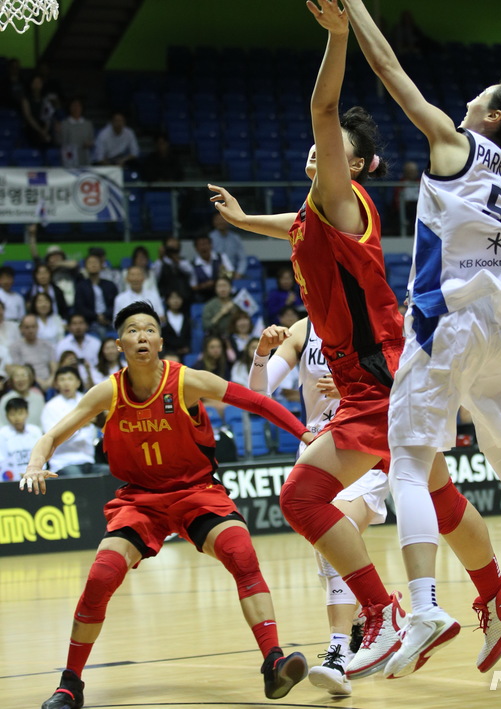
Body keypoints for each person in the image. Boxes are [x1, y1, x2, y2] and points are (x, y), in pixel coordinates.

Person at [209, 0, 501, 681]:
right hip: (387, 364)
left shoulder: (337, 196)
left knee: (300, 497)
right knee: (440, 496)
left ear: (352, 167)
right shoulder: (308, 214)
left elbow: (323, 110)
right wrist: (244, 222)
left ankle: (386, 609)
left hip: (377, 370)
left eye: (335, 153)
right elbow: (290, 226)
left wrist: (336, 36)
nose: (320, 150)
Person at [309, 0, 501, 677]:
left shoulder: (456, 144)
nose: (465, 101)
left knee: (407, 461)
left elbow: (392, 75)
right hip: (496, 332)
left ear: (490, 115)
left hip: (442, 323)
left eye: (478, 98)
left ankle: (426, 604)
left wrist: (353, 2)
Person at [20, 301, 312, 707]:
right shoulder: (109, 391)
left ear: (159, 340)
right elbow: (51, 436)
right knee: (101, 577)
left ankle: (274, 662)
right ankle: (70, 683)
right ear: (119, 344)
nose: (142, 335)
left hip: (195, 492)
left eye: (150, 329)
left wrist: (303, 433)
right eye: (133, 330)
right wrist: (36, 463)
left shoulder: (187, 381)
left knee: (241, 552)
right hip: (140, 500)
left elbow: (257, 402)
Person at [250, 318, 390, 696]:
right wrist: (262, 353)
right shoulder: (301, 330)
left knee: (337, 530)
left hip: (362, 450)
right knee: (330, 550)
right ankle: (366, 615)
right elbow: (258, 391)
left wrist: (352, 387)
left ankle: (338, 653)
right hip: (318, 452)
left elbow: (396, 383)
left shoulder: (369, 321)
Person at [40, 365, 110, 477]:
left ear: (77, 383)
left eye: (70, 379)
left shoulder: (87, 400)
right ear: (56, 384)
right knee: (77, 476)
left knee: (112, 473)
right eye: (62, 380)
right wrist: (80, 424)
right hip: (64, 463)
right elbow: (52, 439)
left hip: (88, 461)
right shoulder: (50, 407)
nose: (66, 383)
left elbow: (93, 433)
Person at [74, 254, 119, 340]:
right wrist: (97, 317)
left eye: (96, 262)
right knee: (101, 332)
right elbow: (80, 307)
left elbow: (115, 305)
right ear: (85, 267)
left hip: (110, 320)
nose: (93, 265)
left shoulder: (110, 285)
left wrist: (105, 316)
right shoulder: (81, 286)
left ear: (101, 266)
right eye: (90, 263)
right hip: (90, 322)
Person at [0, 396, 42, 481]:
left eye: (20, 413)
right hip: (12, 478)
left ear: (27, 413)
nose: (17, 418)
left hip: (35, 475)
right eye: (12, 414)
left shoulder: (35, 431)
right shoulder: (2, 434)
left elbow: (41, 457)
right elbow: (3, 462)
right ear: (7, 416)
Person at [9, 314, 56, 390]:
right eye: (27, 327)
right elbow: (18, 370)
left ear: (37, 327)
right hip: (29, 383)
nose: (31, 330)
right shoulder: (15, 347)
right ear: (21, 329)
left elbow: (54, 366)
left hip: (49, 382)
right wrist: (40, 382)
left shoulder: (47, 345)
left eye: (33, 327)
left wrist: (50, 380)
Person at [189, 233, 233, 303]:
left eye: (206, 244)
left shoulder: (221, 257)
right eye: (201, 245)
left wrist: (222, 275)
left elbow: (231, 274)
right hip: (203, 297)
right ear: (196, 248)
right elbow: (193, 286)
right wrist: (204, 286)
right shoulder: (193, 265)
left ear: (211, 245)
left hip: (222, 293)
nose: (204, 247)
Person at [152, 236, 193, 306]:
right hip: (165, 298)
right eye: (170, 246)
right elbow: (154, 277)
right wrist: (160, 258)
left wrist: (176, 260)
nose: (172, 247)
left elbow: (190, 272)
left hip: (183, 298)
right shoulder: (160, 262)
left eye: (175, 245)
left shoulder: (183, 261)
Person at [57, 97, 94, 167]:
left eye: (78, 106)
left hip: (84, 157)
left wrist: (90, 143)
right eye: (73, 106)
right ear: (69, 108)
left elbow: (91, 140)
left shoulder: (88, 124)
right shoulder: (64, 124)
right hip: (70, 160)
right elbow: (61, 142)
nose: (76, 108)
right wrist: (58, 133)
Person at [210, 211, 247, 279]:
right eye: (218, 219)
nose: (221, 222)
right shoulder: (210, 238)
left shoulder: (236, 238)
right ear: (213, 222)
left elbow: (242, 259)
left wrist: (239, 273)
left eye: (223, 219)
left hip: (234, 275)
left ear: (229, 220)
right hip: (215, 276)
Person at [160, 290, 191, 362]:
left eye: (178, 298)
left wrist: (186, 348)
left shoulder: (186, 318)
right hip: (167, 353)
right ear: (167, 300)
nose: (176, 301)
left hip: (183, 354)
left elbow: (188, 336)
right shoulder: (163, 318)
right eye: (173, 298)